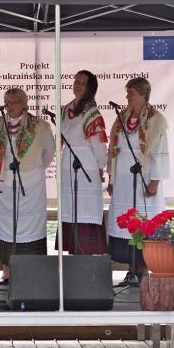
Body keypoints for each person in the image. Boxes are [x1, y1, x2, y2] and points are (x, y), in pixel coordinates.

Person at [0, 88, 55, 285]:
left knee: (29, 227)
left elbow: (49, 152)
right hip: (4, 183)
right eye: (7, 101)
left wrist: (32, 169)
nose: (10, 105)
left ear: (24, 103)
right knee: (6, 226)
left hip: (30, 184)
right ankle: (7, 272)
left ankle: (31, 271)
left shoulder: (39, 126)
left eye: (15, 101)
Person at [106, 77, 170, 278]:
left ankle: (142, 269)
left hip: (144, 177)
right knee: (126, 221)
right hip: (123, 178)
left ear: (143, 94)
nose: (127, 96)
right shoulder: (122, 117)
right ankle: (131, 269)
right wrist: (111, 179)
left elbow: (160, 152)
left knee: (143, 221)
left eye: (131, 93)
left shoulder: (155, 119)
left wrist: (154, 182)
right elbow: (113, 150)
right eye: (127, 93)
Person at [57, 70, 108, 255]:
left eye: (82, 82)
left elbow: (99, 143)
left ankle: (86, 253)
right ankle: (72, 253)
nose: (77, 85)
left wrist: (101, 166)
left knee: (85, 208)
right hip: (67, 163)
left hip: (86, 162)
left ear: (90, 87)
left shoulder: (92, 113)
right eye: (76, 81)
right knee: (70, 207)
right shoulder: (65, 109)